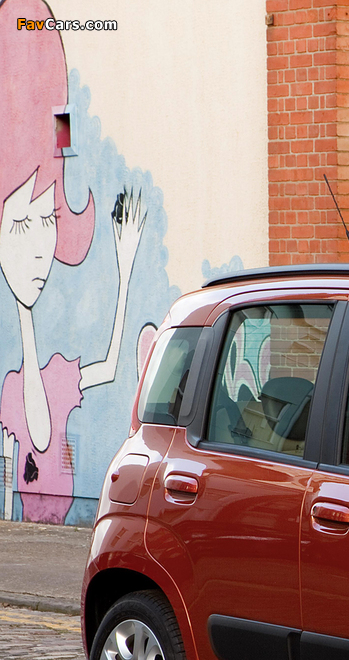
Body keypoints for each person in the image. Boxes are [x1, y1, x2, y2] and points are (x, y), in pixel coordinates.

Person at [0, 0, 145, 522]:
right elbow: (34, 435)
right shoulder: (14, 391)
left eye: (48, 219)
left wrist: (124, 269)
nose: (41, 247)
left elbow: (109, 364)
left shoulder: (58, 377)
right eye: (21, 223)